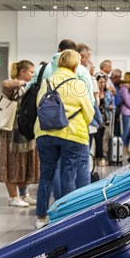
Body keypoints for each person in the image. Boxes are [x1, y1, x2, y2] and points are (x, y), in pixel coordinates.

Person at [34, 50, 94, 229]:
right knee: (68, 175)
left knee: (46, 176)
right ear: (76, 66)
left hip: (45, 133)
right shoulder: (78, 84)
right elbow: (89, 113)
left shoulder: (46, 82)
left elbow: (39, 105)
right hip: (72, 135)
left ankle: (41, 217)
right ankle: (66, 217)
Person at [0, 61, 40, 207]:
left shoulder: (29, 88)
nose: (32, 75)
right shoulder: (15, 86)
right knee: (12, 163)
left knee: (25, 162)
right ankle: (13, 197)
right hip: (11, 132)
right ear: (22, 72)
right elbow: (6, 85)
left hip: (25, 131)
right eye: (30, 72)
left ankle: (24, 194)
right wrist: (23, 83)